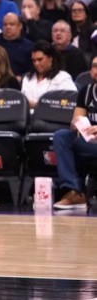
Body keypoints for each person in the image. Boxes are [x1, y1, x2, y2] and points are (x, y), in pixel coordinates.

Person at [51, 55, 97, 210]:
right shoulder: (86, 91)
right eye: (94, 66)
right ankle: (75, 192)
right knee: (62, 136)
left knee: (75, 142)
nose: (96, 70)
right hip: (89, 142)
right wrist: (77, 124)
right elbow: (77, 118)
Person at [21, 41, 77, 109]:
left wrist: (37, 105)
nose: (36, 64)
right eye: (34, 60)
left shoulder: (62, 78)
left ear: (51, 58)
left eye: (40, 59)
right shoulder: (27, 78)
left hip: (52, 117)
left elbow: (71, 102)